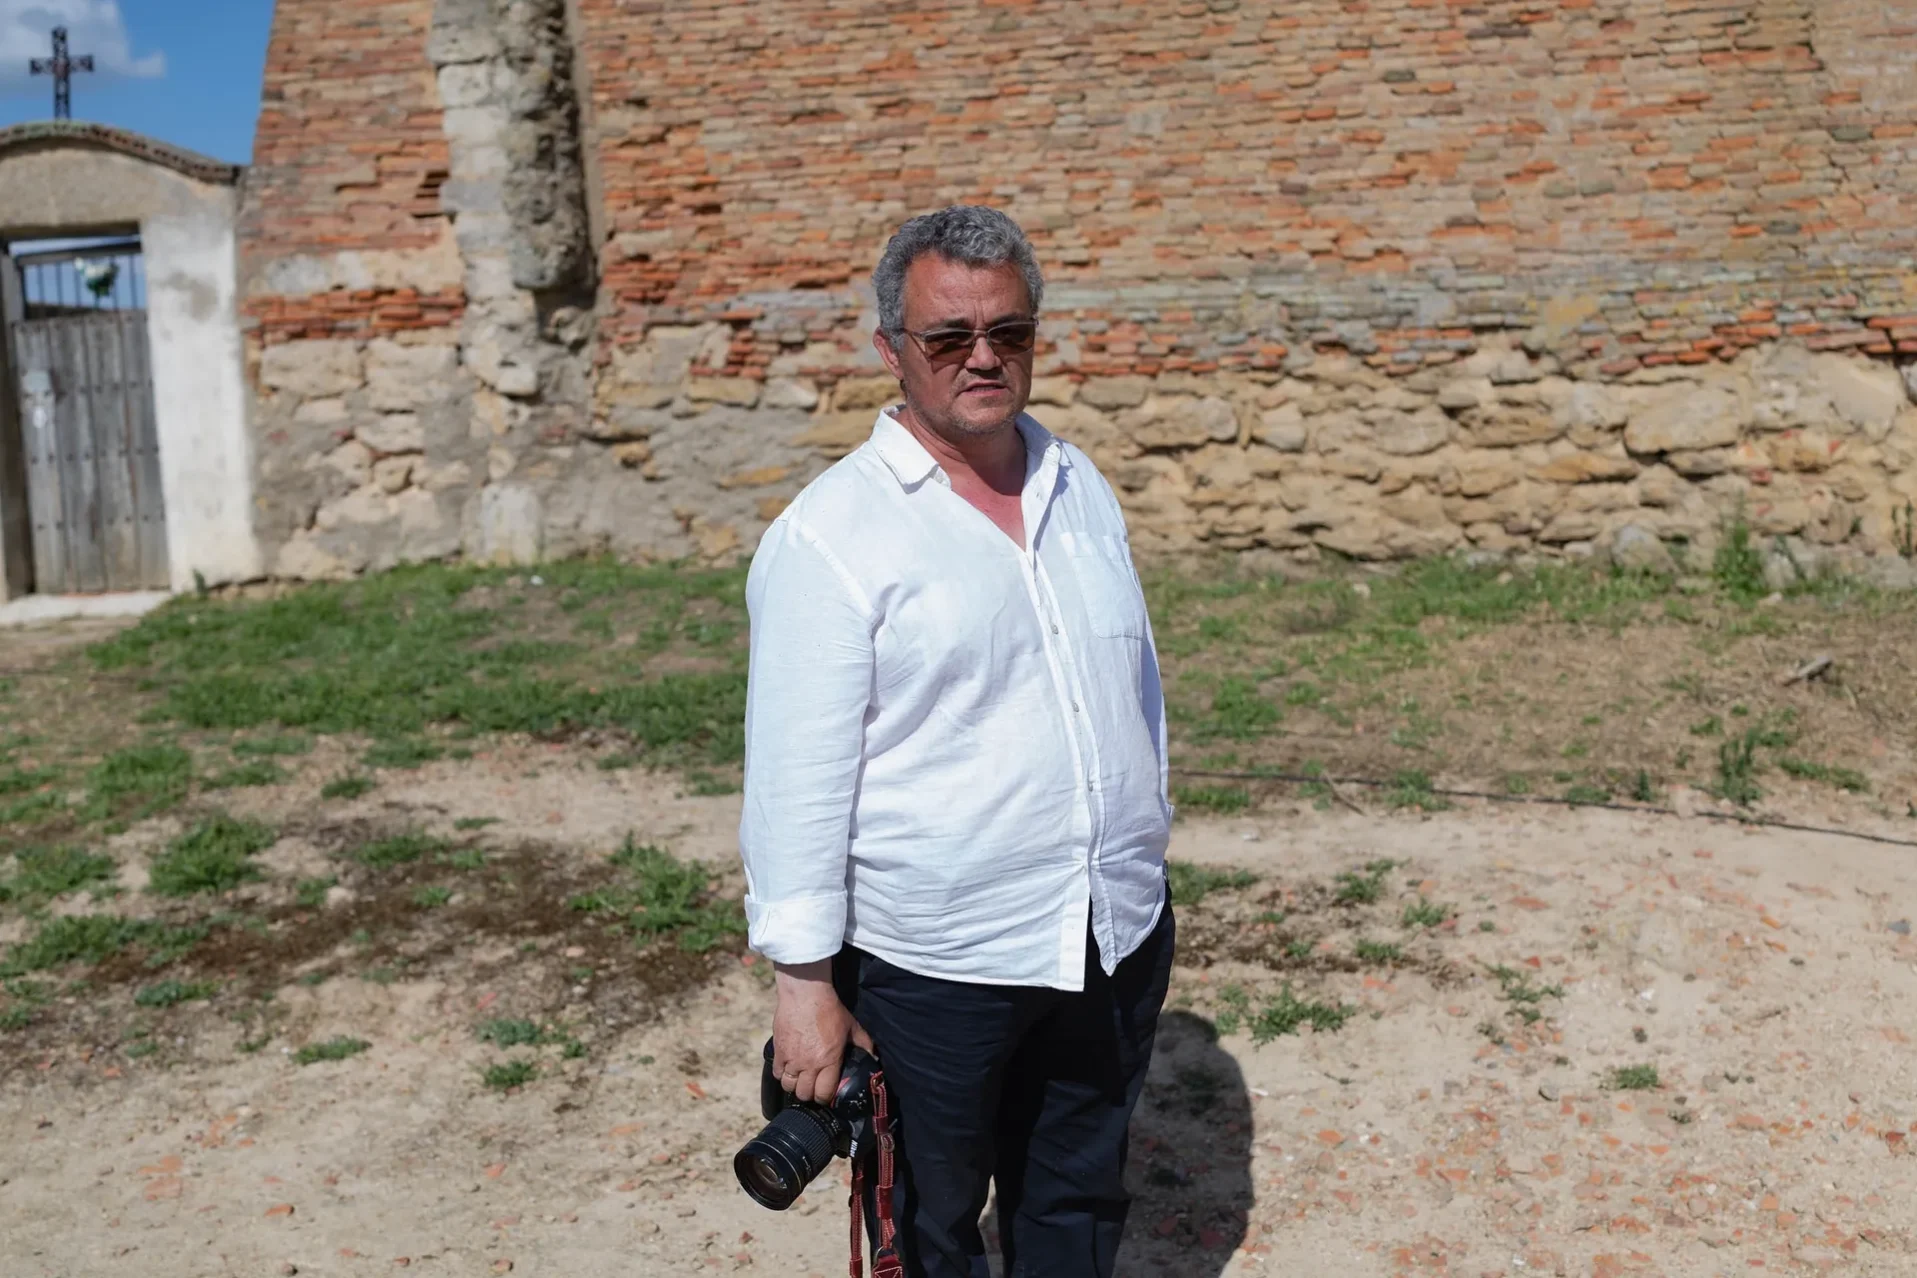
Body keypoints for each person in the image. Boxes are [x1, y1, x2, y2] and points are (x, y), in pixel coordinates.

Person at [738, 205, 1176, 1278]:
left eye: (1010, 333)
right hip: (938, 966)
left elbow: (1131, 692)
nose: (985, 358)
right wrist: (805, 988)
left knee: (1076, 1202)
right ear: (893, 350)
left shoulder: (1079, 486)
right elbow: (795, 778)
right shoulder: (832, 535)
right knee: (931, 1231)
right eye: (949, 338)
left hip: (1107, 935)